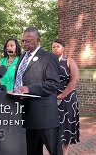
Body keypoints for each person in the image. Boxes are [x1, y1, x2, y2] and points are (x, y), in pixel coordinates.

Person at [13, 27, 61, 155]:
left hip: (45, 115)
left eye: (28, 41)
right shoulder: (22, 57)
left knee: (54, 151)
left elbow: (54, 83)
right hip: (28, 114)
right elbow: (20, 78)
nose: (24, 44)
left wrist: (29, 88)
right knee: (32, 151)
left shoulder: (48, 57)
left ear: (38, 40)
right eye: (23, 41)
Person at [52, 39, 80, 155]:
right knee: (53, 125)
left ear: (63, 48)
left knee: (66, 126)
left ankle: (65, 152)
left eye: (57, 46)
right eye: (53, 47)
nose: (55, 49)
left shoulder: (69, 61)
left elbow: (74, 79)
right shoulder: (49, 62)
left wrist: (62, 95)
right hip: (52, 98)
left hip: (68, 98)